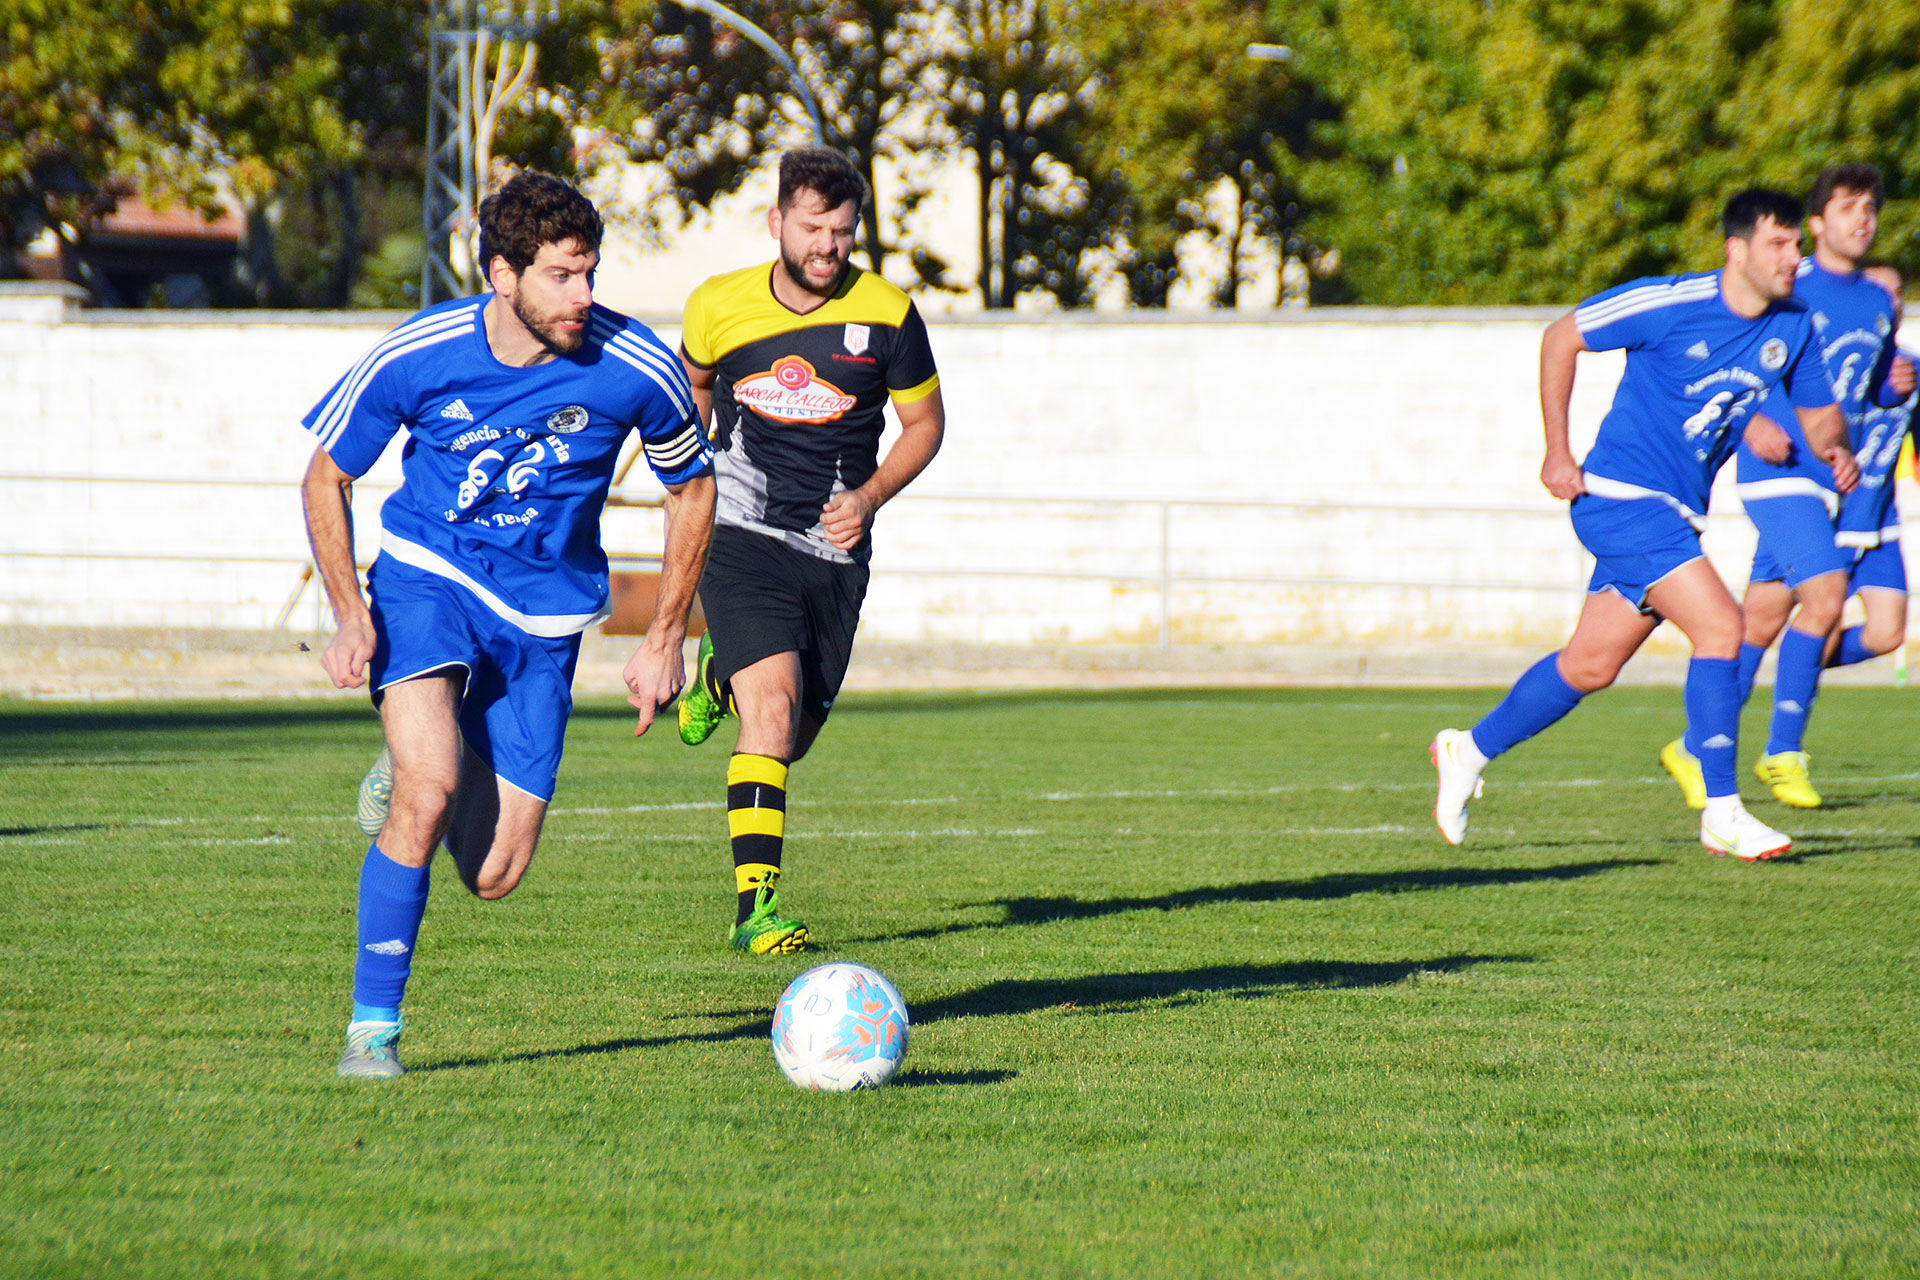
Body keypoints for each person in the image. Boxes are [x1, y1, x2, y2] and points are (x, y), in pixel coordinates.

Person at [299, 171, 716, 1078]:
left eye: (591, 273)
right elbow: (325, 474)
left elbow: (693, 488)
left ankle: (424, 748)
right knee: (429, 788)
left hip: (547, 620)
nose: (584, 296)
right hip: (429, 581)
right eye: (563, 276)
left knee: (493, 876)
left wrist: (663, 637)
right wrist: (347, 615)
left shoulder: (634, 367)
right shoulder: (422, 350)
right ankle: (373, 1033)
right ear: (502, 274)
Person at [1431, 188, 1854, 861]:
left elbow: (1819, 419)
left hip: (1677, 515)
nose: (1793, 257)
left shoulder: (1794, 324)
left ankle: (1466, 749)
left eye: (1797, 244)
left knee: (1590, 664)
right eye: (1779, 243)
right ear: (1736, 249)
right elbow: (1560, 336)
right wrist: (1557, 450)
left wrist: (1833, 442)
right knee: (1723, 626)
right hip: (1619, 497)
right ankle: (1723, 812)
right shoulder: (1670, 303)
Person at [672, 147, 945, 954]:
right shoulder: (716, 305)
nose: (828, 244)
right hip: (742, 530)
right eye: (813, 226)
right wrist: (692, 476)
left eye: (843, 229)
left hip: (832, 547)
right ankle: (756, 908)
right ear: (777, 222)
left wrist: (866, 500)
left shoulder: (889, 314)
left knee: (788, 739)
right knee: (774, 708)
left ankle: (720, 671)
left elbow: (925, 426)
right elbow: (692, 392)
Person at [1662, 167, 1916, 810]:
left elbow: (1867, 385)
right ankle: (1782, 753)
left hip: (1837, 478)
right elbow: (1731, 356)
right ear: (1815, 223)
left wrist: (1896, 384)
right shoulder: (1785, 284)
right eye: (1847, 207)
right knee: (1826, 600)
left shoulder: (1878, 300)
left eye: (1870, 209)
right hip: (1780, 473)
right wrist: (1749, 424)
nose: (1862, 219)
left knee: (1770, 620)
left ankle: (1694, 745)